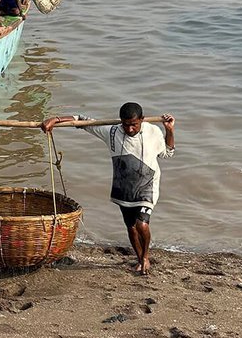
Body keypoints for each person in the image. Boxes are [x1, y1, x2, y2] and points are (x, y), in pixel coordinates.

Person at [43, 102, 176, 276]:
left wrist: (169, 130)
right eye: (126, 125)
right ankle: (139, 258)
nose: (129, 129)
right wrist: (55, 119)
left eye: (134, 125)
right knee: (131, 227)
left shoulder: (153, 131)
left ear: (142, 120)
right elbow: (81, 121)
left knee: (141, 224)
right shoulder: (112, 131)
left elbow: (168, 152)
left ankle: (145, 257)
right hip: (123, 187)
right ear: (121, 122)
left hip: (147, 185)